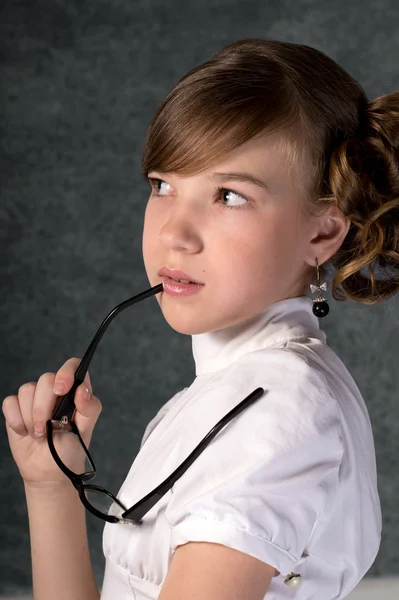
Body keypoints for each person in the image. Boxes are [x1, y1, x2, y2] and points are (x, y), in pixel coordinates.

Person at [2, 38, 398, 600]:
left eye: (229, 196)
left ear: (322, 232)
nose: (173, 233)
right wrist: (50, 487)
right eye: (162, 186)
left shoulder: (275, 413)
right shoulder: (235, 390)